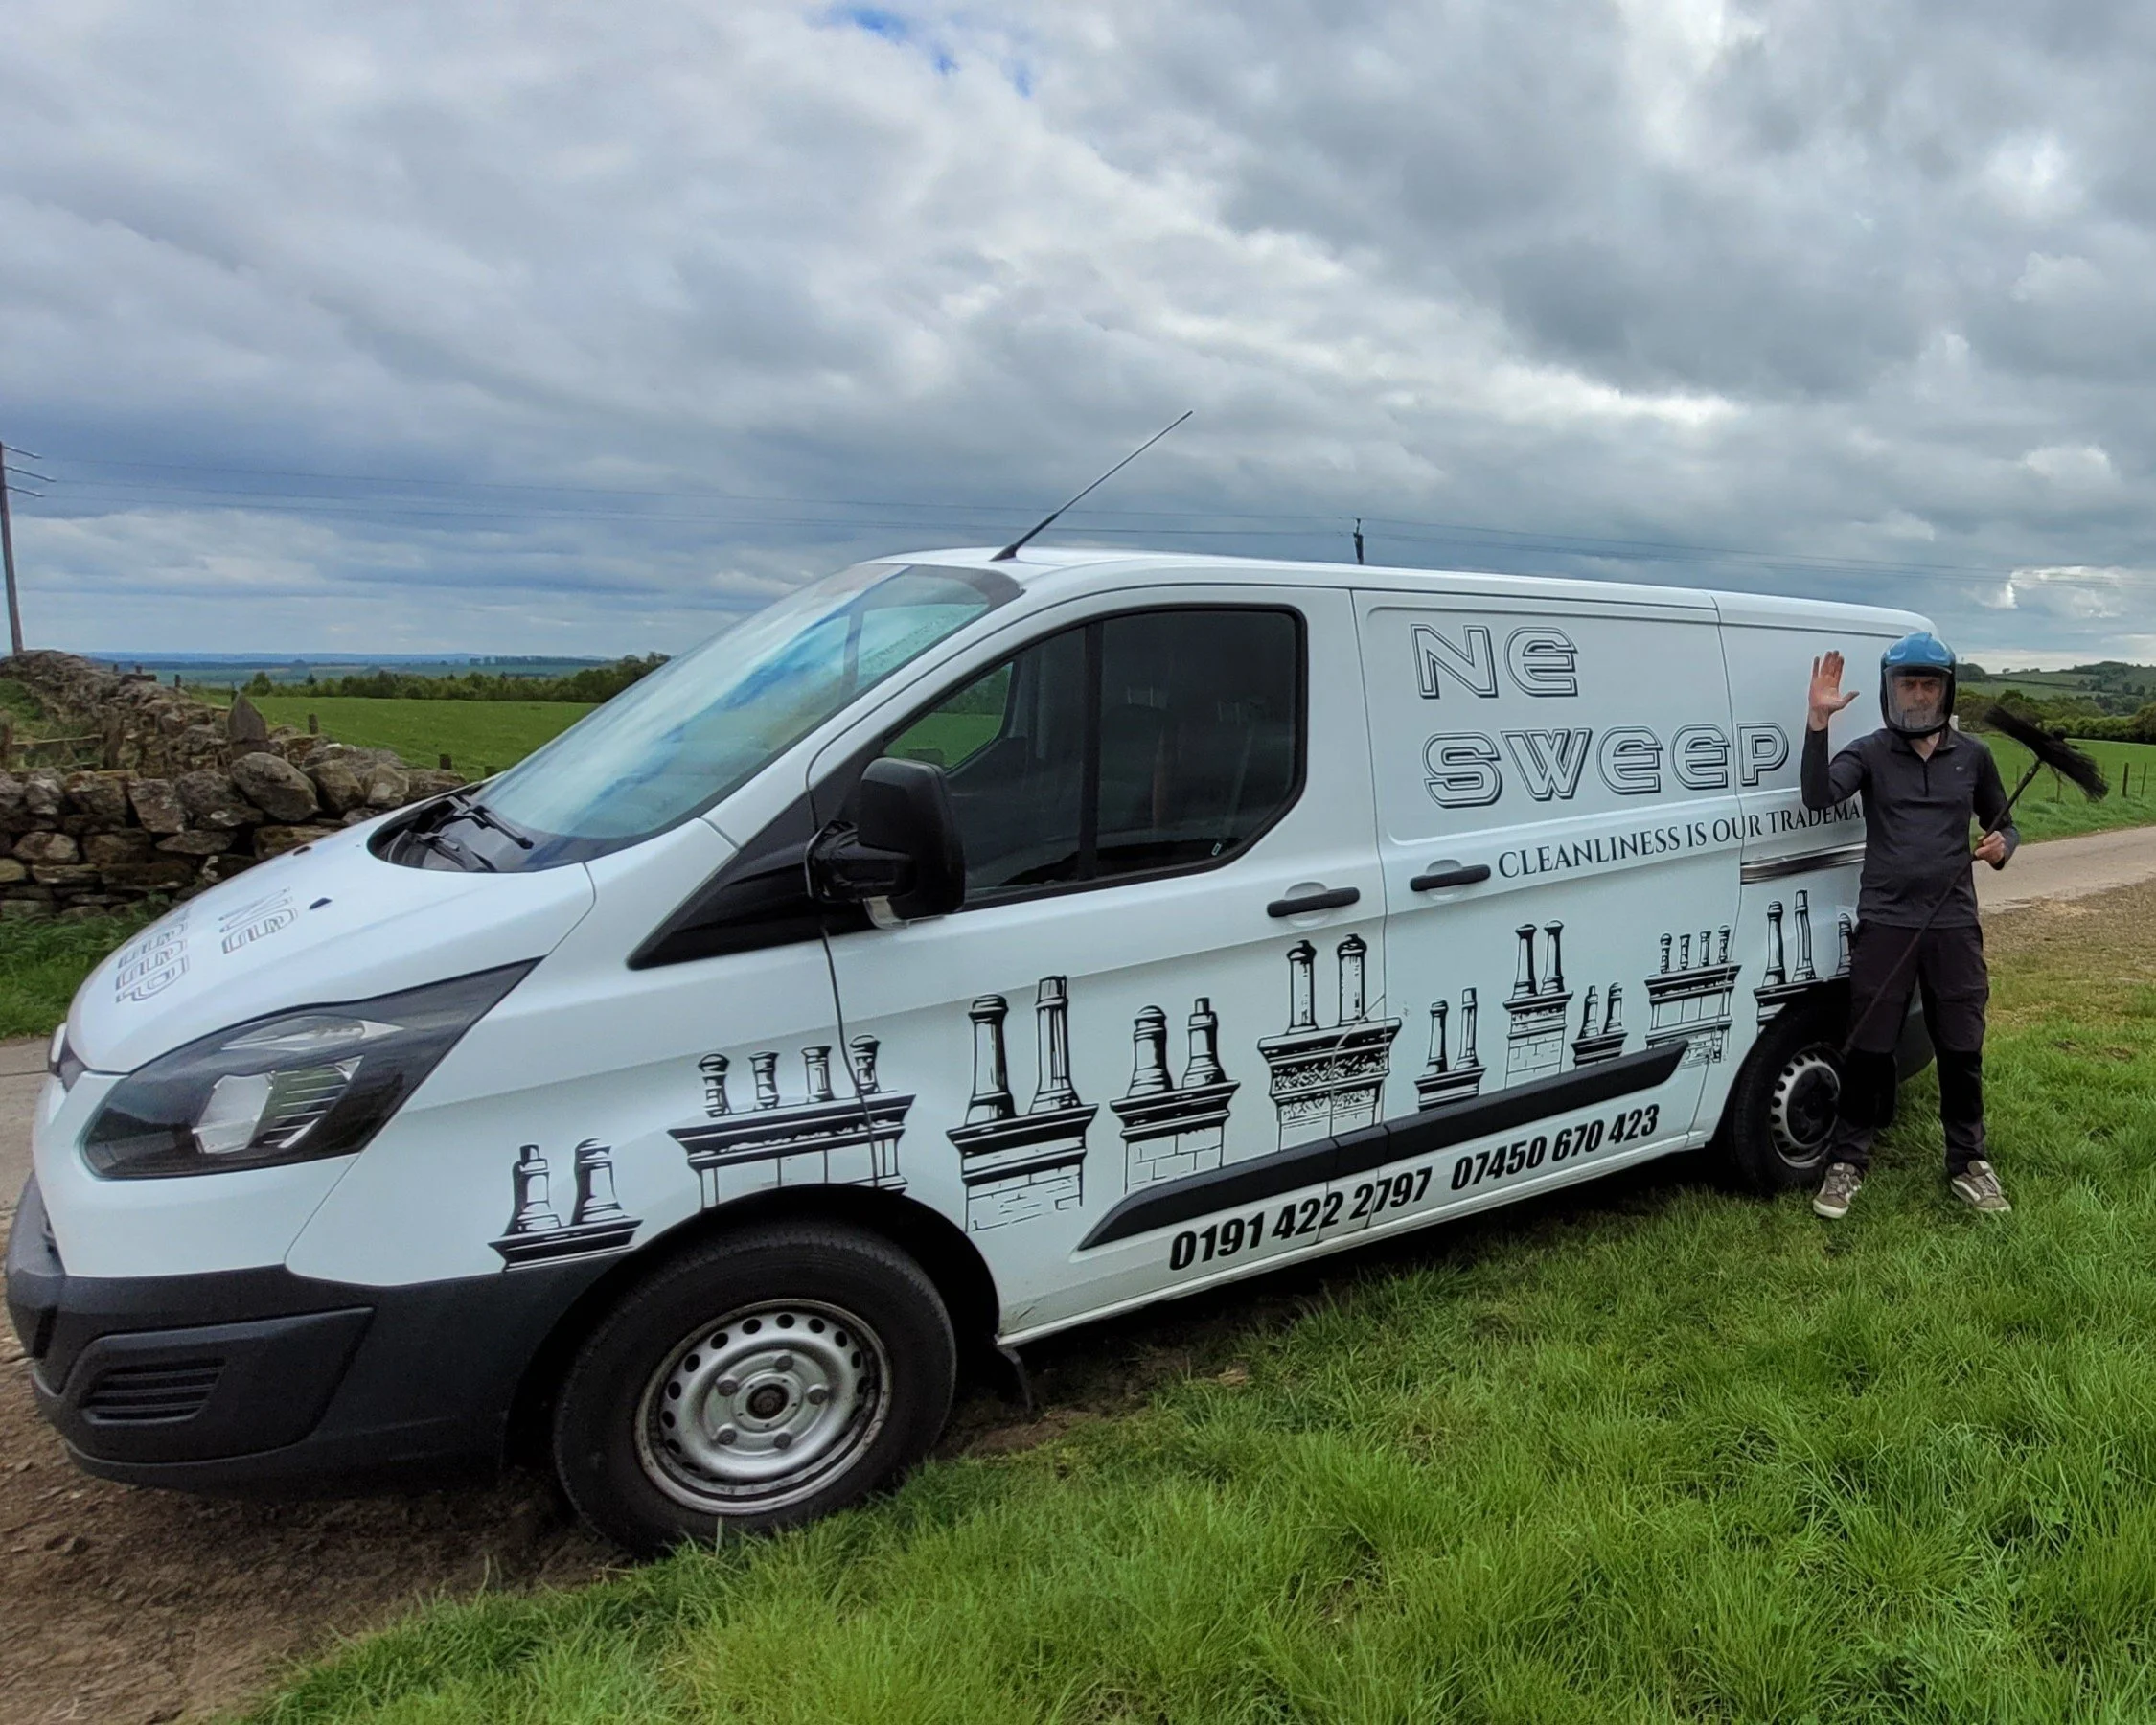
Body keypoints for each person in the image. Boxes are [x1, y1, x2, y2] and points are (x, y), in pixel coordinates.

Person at [1801, 633, 2016, 1218]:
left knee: (1961, 1043)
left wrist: (2002, 845)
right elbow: (1818, 796)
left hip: (1953, 923)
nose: (1918, 695)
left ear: (1946, 691)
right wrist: (1817, 723)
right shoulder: (1870, 753)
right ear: (1888, 691)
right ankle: (1847, 1162)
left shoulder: (1973, 756)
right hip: (1887, 922)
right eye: (1907, 685)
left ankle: (1968, 1161)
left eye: (1928, 685)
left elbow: (2004, 824)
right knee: (1870, 1045)